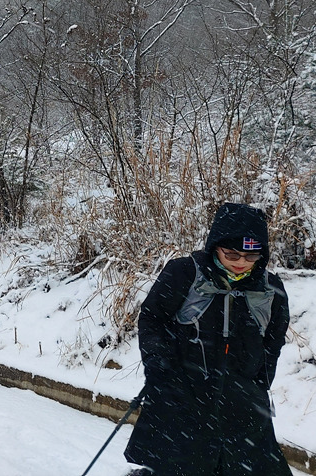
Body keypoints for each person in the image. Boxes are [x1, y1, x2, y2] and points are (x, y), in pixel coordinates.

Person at [124, 202, 291, 476]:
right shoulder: (184, 273)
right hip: (183, 394)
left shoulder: (270, 289)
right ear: (215, 246)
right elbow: (152, 319)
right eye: (232, 254)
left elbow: (273, 342)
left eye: (251, 255)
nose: (241, 262)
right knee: (177, 468)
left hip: (242, 403)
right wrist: (158, 364)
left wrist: (260, 383)